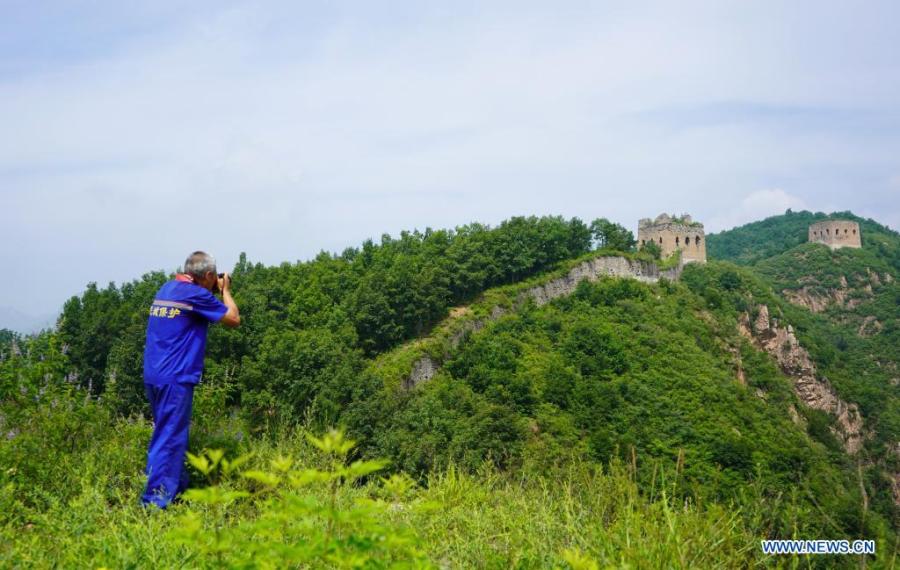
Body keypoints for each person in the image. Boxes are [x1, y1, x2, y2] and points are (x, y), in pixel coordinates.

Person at [140, 251, 240, 508]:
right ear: (207, 275)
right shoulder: (196, 295)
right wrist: (225, 290)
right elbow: (233, 319)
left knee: (170, 436)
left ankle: (178, 494)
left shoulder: (167, 288)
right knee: (169, 440)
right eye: (212, 277)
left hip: (155, 375)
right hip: (176, 377)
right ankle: (154, 505)